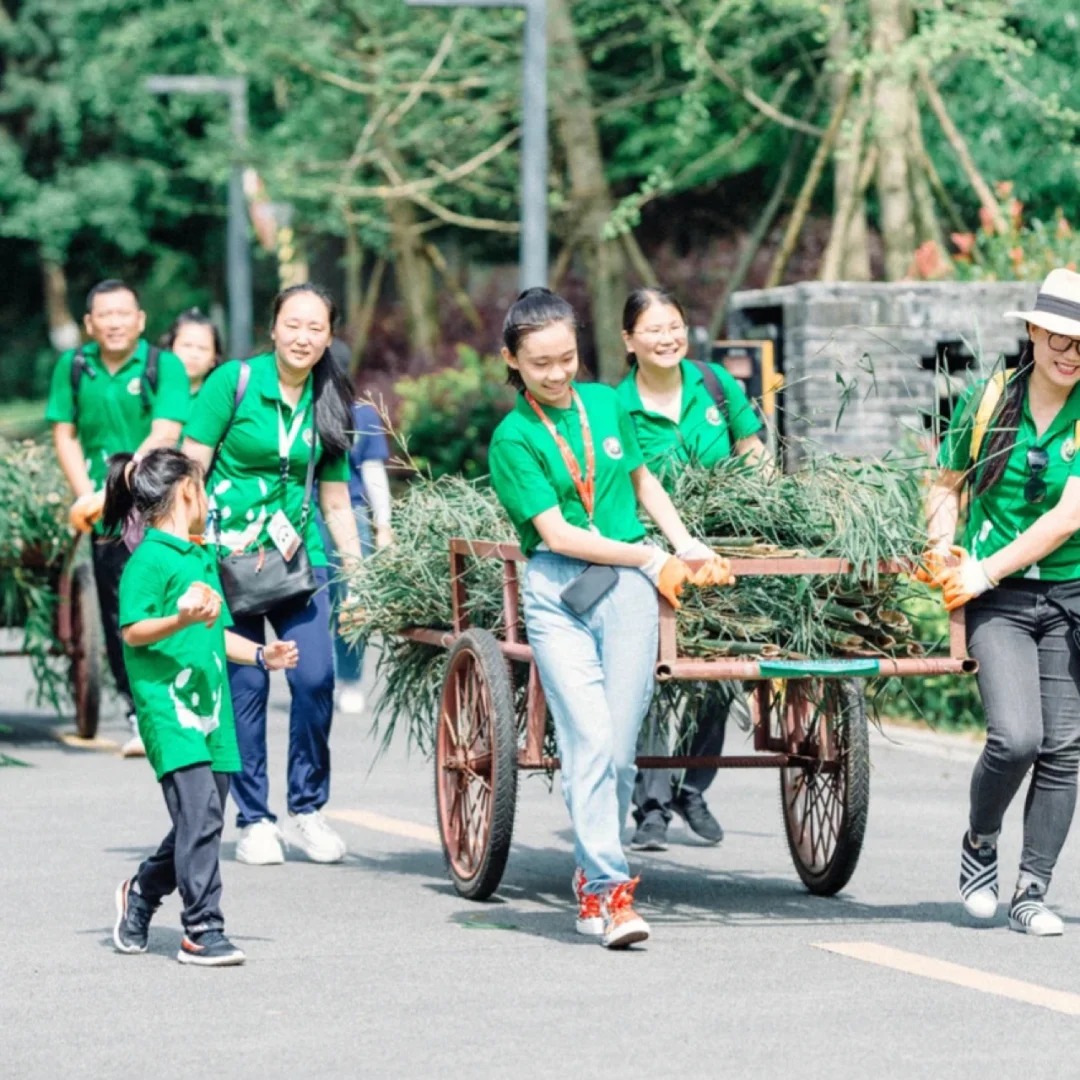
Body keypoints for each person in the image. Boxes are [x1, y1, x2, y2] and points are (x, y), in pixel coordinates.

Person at [488, 287, 734, 949]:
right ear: (513, 361)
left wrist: (683, 543)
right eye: (541, 363)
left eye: (567, 357)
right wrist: (649, 558)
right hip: (560, 596)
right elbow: (558, 534)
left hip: (624, 593)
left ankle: (595, 882)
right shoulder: (512, 439)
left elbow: (644, 480)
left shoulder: (605, 404)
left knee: (620, 750)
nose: (559, 373)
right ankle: (609, 891)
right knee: (589, 740)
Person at [924, 267, 1080, 937]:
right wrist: (941, 546)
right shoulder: (990, 400)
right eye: (1060, 339)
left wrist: (983, 569)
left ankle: (1032, 890)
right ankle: (981, 845)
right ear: (1034, 333)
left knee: (1066, 747)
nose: (1070, 354)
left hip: (1067, 594)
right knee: (1017, 738)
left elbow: (1070, 515)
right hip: (1001, 600)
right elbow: (946, 483)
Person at [183, 283, 362, 867]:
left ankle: (307, 809)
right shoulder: (231, 384)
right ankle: (255, 819)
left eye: (316, 327)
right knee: (248, 687)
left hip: (296, 563)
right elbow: (191, 473)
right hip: (225, 560)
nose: (303, 336)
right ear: (273, 327)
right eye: (293, 324)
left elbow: (336, 499)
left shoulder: (331, 398)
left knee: (313, 680)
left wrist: (359, 574)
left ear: (329, 335)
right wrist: (184, 557)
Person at [104, 447, 298, 965]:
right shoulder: (147, 559)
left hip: (212, 711)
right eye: (204, 487)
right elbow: (133, 632)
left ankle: (142, 893)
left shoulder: (199, 555)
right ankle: (202, 929)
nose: (207, 497)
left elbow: (216, 632)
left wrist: (260, 654)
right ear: (186, 491)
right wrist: (180, 621)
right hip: (168, 710)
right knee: (202, 815)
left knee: (201, 818)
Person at [616, 287, 769, 851]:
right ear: (629, 340)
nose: (667, 338)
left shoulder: (713, 383)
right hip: (651, 550)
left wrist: (766, 505)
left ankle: (693, 786)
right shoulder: (616, 407)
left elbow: (751, 449)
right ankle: (650, 804)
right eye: (653, 330)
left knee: (718, 670)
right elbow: (628, 484)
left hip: (724, 542)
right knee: (657, 671)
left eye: (675, 325)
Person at [45, 279, 191, 757]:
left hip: (158, 507)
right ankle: (137, 709)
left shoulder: (161, 365)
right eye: (103, 315)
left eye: (122, 313)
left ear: (140, 320)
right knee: (119, 611)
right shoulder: (75, 366)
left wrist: (121, 484)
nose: (113, 322)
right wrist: (88, 493)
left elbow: (166, 429)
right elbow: (64, 434)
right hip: (103, 517)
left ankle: (181, 699)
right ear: (89, 324)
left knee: (171, 601)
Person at [319, 395, 394, 715]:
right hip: (301, 511)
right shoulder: (297, 406)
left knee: (350, 599)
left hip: (350, 510)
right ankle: (317, 677)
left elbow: (373, 471)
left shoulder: (362, 415)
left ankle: (349, 679)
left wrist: (383, 524)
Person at [160, 307, 224, 395]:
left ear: (214, 358)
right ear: (170, 348)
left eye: (203, 348)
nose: (194, 355)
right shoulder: (150, 392)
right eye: (187, 345)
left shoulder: (221, 398)